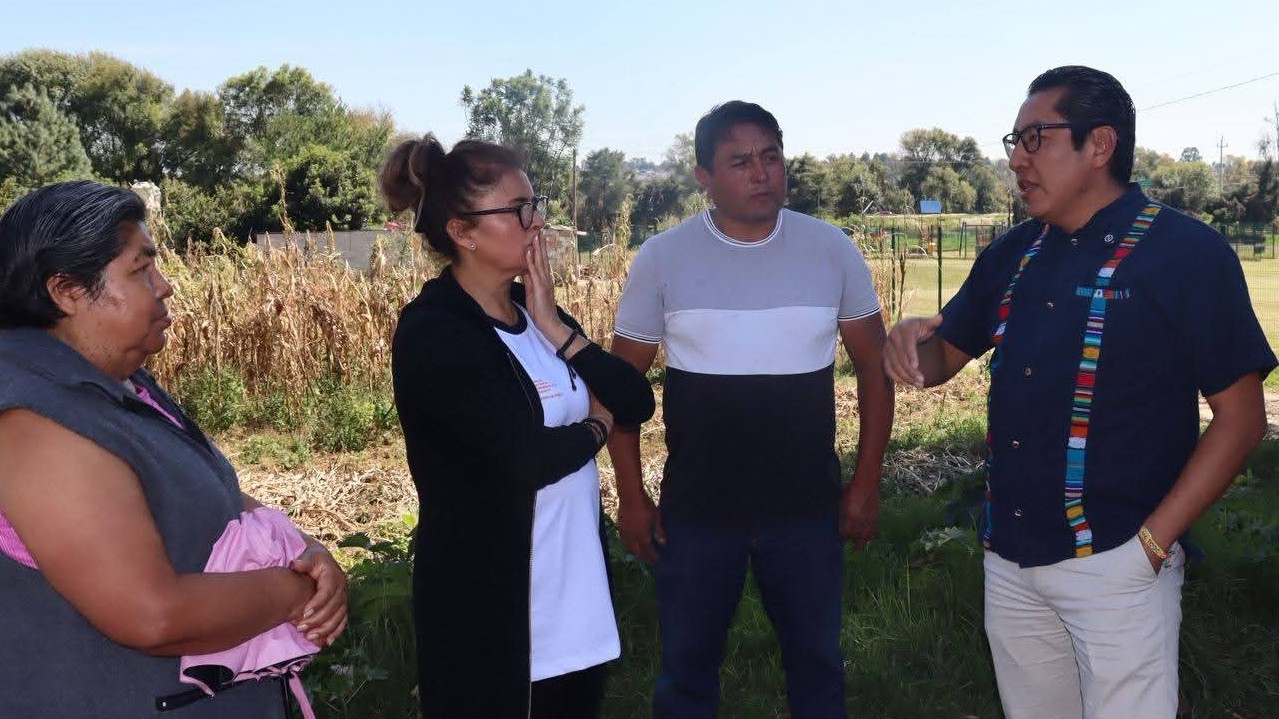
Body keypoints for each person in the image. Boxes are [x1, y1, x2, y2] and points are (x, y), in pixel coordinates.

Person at [883, 66, 1276, 719]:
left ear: (1098, 146)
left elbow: (1241, 420)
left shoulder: (1186, 253)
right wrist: (904, 342)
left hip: (1118, 560)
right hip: (1008, 559)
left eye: (1035, 138)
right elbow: (936, 363)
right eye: (1014, 139)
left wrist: (1150, 544)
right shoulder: (1011, 254)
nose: (1015, 158)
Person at [0, 180, 348, 719]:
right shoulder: (37, 422)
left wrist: (307, 549)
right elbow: (151, 615)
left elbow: (207, 487)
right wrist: (292, 593)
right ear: (66, 291)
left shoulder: (121, 382)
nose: (163, 287)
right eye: (140, 270)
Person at [608, 101, 894, 719]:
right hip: (699, 511)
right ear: (703, 177)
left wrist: (865, 484)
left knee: (818, 666)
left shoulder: (830, 249)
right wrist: (631, 497)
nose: (761, 173)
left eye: (771, 157)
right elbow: (618, 387)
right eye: (740, 161)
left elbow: (875, 368)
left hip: (806, 509)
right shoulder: (662, 257)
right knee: (686, 676)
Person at [381, 135, 655, 719]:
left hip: (572, 601)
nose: (538, 224)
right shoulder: (435, 332)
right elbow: (523, 459)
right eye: (519, 210)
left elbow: (635, 400)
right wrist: (596, 430)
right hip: (494, 608)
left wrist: (557, 328)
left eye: (536, 205)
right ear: (463, 232)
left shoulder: (537, 316)